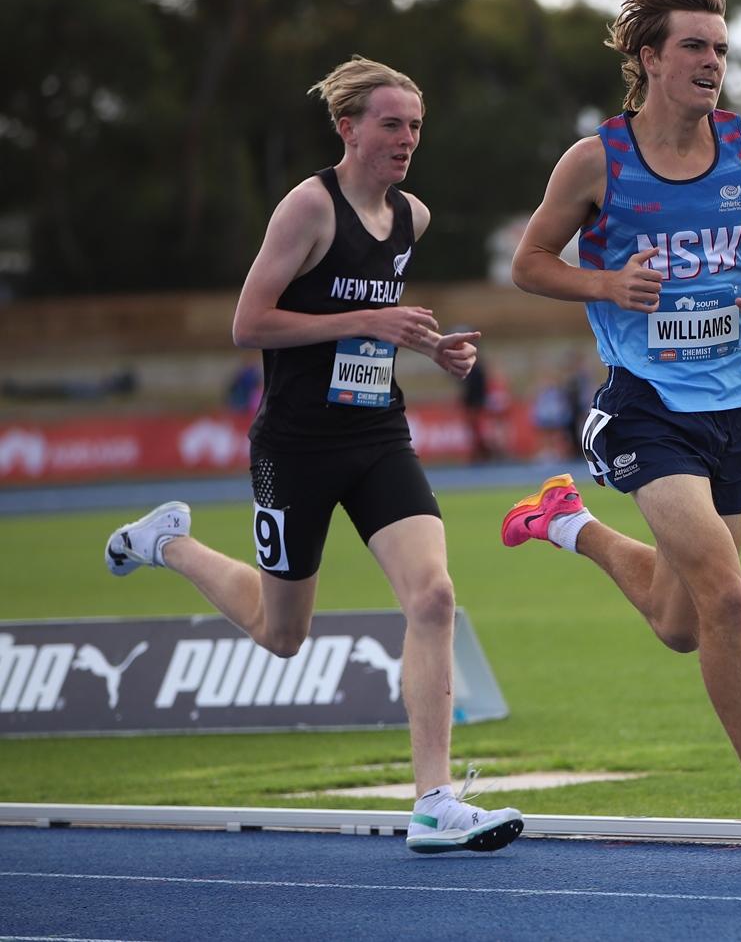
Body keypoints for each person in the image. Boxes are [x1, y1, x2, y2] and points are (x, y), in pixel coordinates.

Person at [104, 57, 523, 855]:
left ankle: (433, 801)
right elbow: (248, 324)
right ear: (349, 128)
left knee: (433, 596)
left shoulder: (413, 218)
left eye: (416, 127)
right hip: (295, 446)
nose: (407, 140)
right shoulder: (308, 206)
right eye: (392, 124)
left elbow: (381, 314)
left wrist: (433, 348)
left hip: (377, 436)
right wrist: (365, 324)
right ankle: (169, 541)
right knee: (281, 632)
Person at [500, 0, 741, 870]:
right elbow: (531, 263)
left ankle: (566, 522)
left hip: (736, 404)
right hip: (646, 408)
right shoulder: (596, 162)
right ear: (649, 58)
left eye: (722, 50)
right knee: (728, 601)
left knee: (681, 622)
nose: (713, 64)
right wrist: (604, 282)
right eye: (694, 47)